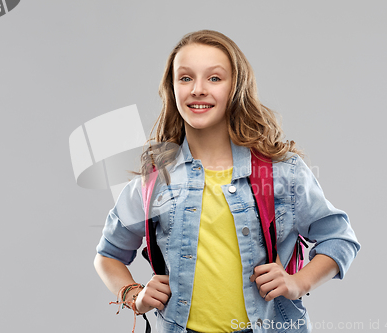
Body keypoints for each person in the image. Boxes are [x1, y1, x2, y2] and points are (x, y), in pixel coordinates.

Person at [94, 29, 360, 333]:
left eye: (214, 78)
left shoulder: (282, 172)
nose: (198, 89)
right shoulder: (156, 181)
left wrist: (298, 283)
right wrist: (133, 295)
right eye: (185, 78)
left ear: (236, 87)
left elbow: (340, 238)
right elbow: (107, 256)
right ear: (172, 89)